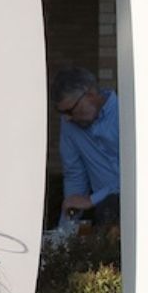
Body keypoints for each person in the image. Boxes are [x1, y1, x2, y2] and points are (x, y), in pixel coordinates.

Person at [50, 67, 120, 228]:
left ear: (90, 94)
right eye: (63, 113)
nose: (67, 118)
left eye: (71, 110)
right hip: (107, 216)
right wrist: (66, 234)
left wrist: (91, 200)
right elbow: (75, 175)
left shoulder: (126, 112)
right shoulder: (69, 123)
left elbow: (140, 174)